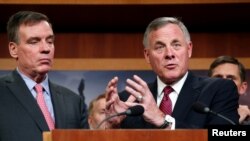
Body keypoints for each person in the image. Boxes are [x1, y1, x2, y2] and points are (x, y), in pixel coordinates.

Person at [105, 17, 239, 129]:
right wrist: (113, 126)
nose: (169, 54)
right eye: (160, 47)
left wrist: (164, 121)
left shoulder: (219, 90)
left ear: (189, 49)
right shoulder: (129, 101)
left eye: (176, 45)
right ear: (147, 55)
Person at [0, 11, 87, 141]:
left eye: (50, 41)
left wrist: (110, 124)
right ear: (14, 49)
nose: (46, 48)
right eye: (34, 42)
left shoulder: (73, 101)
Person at [208, 55, 250, 124]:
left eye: (231, 78)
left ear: (242, 88)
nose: (224, 83)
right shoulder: (194, 118)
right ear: (207, 85)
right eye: (218, 77)